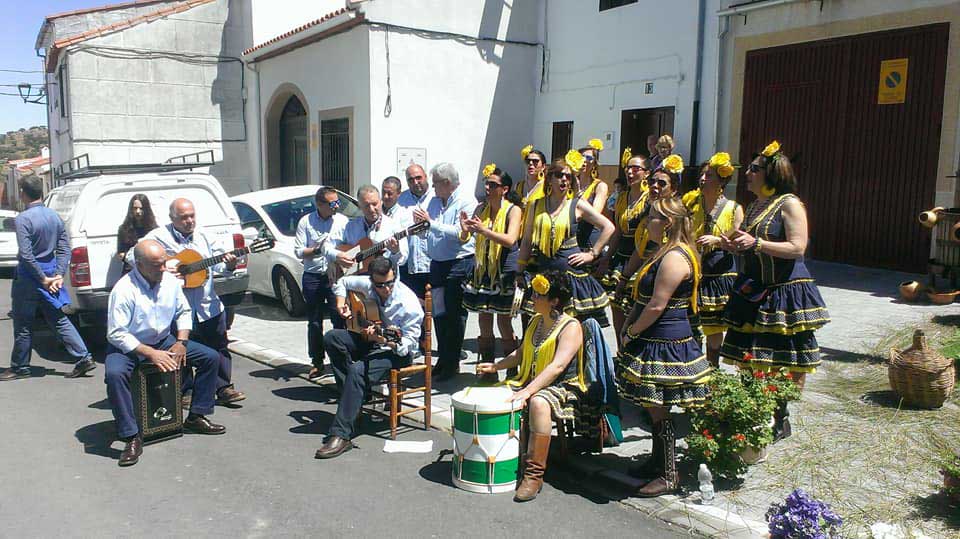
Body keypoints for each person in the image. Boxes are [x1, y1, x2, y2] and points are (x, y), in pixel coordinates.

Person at [719, 141, 830, 441]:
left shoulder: (790, 204)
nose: (747, 174)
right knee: (752, 354)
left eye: (754, 169)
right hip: (754, 288)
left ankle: (779, 416)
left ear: (771, 173)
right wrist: (730, 244)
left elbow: (798, 247)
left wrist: (756, 244)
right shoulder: (756, 204)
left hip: (783, 291)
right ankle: (754, 410)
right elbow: (750, 242)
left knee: (783, 358)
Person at [616, 197, 711, 497]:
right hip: (653, 338)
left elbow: (657, 305)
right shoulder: (663, 252)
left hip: (666, 341)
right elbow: (644, 299)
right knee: (651, 403)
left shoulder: (674, 257)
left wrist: (631, 331)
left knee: (658, 407)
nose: (647, 222)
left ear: (668, 223)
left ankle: (669, 474)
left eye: (653, 217)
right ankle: (657, 461)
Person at [106, 240, 226, 466]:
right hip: (129, 346)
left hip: (164, 340)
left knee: (210, 358)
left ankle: (197, 415)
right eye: (156, 265)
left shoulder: (170, 282)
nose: (163, 269)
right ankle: (131, 435)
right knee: (114, 374)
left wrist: (181, 341)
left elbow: (183, 310)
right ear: (139, 265)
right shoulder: (123, 290)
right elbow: (116, 333)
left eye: (163, 263)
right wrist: (150, 353)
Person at [476, 270, 586, 502]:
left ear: (554, 301)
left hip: (563, 386)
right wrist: (495, 367)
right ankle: (500, 457)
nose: (532, 298)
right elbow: (520, 353)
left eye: (538, 294)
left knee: (538, 403)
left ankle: (533, 475)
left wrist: (527, 391)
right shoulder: (536, 321)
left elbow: (557, 367)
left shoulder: (571, 326)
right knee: (492, 394)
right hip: (533, 380)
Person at [313, 256, 423, 459]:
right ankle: (354, 402)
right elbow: (341, 282)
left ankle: (341, 434)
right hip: (373, 340)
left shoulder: (408, 304)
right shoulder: (368, 285)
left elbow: (408, 346)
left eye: (390, 283)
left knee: (357, 370)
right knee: (332, 338)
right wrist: (341, 303)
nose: (386, 289)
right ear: (372, 280)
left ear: (395, 277)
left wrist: (385, 340)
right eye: (380, 285)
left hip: (396, 352)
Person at [141, 198, 245, 405]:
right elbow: (134, 256)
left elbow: (218, 267)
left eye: (192, 216)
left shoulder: (206, 236)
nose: (189, 221)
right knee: (183, 349)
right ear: (172, 218)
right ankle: (185, 390)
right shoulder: (158, 237)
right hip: (177, 308)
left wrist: (230, 266)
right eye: (183, 217)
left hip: (208, 305)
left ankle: (223, 387)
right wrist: (166, 265)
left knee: (219, 346)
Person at [2, 176, 95, 381]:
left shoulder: (23, 219)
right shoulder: (54, 216)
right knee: (58, 318)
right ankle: (83, 356)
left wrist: (43, 278)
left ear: (23, 193)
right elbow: (63, 248)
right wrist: (58, 275)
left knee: (23, 322)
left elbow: (26, 255)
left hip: (29, 278)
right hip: (51, 274)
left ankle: (20, 366)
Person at [517, 151, 614, 326]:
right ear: (550, 178)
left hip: (570, 275)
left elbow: (609, 227)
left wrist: (592, 254)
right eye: (559, 175)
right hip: (543, 271)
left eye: (568, 176)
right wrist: (519, 270)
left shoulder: (577, 205)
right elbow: (526, 240)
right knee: (540, 325)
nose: (563, 180)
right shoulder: (536, 205)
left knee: (571, 327)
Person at [411, 162, 476, 381]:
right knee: (439, 313)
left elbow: (460, 233)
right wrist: (420, 227)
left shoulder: (466, 201)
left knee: (455, 315)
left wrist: (431, 224)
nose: (433, 188)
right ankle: (443, 359)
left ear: (447, 183)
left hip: (458, 264)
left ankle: (452, 361)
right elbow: (427, 232)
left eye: (436, 183)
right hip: (437, 264)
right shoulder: (434, 201)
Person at [461, 164, 524, 377]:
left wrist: (484, 231)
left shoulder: (514, 210)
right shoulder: (480, 209)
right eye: (486, 183)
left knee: (504, 322)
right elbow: (467, 238)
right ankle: (487, 371)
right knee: (483, 320)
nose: (487, 188)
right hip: (483, 270)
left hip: (505, 271)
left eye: (492, 184)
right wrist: (465, 229)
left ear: (504, 189)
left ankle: (511, 371)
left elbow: (510, 240)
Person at [686, 153, 743, 367]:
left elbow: (739, 245)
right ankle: (694, 367)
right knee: (692, 323)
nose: (702, 179)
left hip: (719, 273)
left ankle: (713, 369)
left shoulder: (734, 208)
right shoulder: (692, 204)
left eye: (709, 175)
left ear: (722, 180)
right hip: (695, 269)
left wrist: (718, 240)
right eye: (702, 174)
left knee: (715, 327)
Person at [617, 154, 685, 308]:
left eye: (661, 183)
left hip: (664, 278)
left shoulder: (678, 216)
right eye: (652, 182)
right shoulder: (650, 209)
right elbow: (640, 248)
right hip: (644, 272)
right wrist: (624, 277)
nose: (654, 186)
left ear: (673, 189)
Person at [295, 187, 349, 379]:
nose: (336, 206)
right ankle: (317, 361)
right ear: (319, 204)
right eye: (332, 203)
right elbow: (299, 251)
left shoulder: (342, 220)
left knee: (339, 318)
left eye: (337, 202)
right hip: (313, 276)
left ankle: (341, 362)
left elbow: (349, 244)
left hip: (335, 275)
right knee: (315, 322)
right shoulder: (306, 222)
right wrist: (316, 249)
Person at [598, 152, 651, 344]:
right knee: (616, 307)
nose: (630, 172)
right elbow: (618, 231)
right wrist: (606, 257)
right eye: (628, 168)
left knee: (634, 309)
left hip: (642, 256)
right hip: (621, 256)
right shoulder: (622, 198)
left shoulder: (650, 200)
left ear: (646, 173)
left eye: (635, 168)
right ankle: (620, 353)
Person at [329, 184, 407, 273]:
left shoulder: (394, 226)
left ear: (381, 202)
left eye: (374, 204)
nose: (371, 209)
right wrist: (337, 255)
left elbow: (403, 260)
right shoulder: (349, 226)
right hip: (355, 280)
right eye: (366, 205)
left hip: (383, 282)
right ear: (359, 206)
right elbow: (327, 246)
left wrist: (395, 252)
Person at [397, 164, 433, 299]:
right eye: (410, 180)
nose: (415, 182)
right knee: (413, 312)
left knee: (438, 311)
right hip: (409, 266)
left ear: (426, 177)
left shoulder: (437, 198)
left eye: (418, 178)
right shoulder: (401, 200)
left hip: (432, 265)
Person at [575, 139, 611, 251]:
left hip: (589, 239)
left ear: (595, 163)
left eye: (589, 158)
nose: (584, 160)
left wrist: (578, 194)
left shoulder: (600, 186)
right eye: (581, 157)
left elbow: (595, 214)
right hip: (571, 238)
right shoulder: (569, 183)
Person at [116, 194, 157, 273]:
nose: (138, 211)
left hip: (150, 270)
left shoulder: (153, 229)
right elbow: (121, 253)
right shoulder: (124, 229)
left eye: (141, 208)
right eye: (135, 208)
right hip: (130, 269)